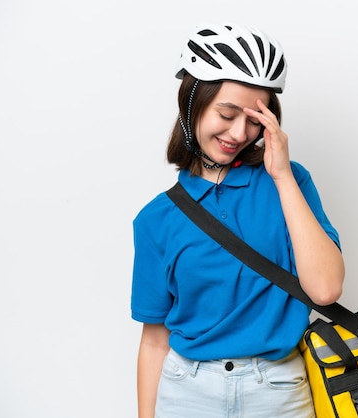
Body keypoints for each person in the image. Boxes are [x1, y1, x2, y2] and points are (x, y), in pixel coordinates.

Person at [131, 22, 345, 418]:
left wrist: (281, 175)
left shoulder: (291, 182)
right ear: (193, 106)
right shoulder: (155, 219)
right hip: (186, 392)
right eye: (226, 114)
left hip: (279, 389)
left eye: (253, 120)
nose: (239, 132)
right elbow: (154, 341)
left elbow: (326, 289)